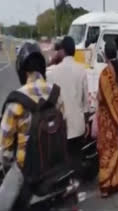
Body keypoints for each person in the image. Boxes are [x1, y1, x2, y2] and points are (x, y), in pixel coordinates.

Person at [0, 43, 65, 211]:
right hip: (56, 165)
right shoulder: (56, 94)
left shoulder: (15, 102)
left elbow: (5, 150)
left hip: (27, 173)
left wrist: (7, 165)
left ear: (22, 71)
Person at [47, 36, 89, 166]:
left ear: (62, 51)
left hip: (60, 126)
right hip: (78, 126)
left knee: (63, 162)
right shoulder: (82, 70)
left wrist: (52, 62)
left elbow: (49, 100)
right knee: (76, 157)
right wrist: (86, 122)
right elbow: (86, 102)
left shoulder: (52, 72)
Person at [97, 40, 118, 198]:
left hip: (107, 117)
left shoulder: (105, 73)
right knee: (114, 148)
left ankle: (106, 186)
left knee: (105, 150)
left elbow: (101, 97)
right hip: (117, 115)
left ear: (105, 54)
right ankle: (115, 182)